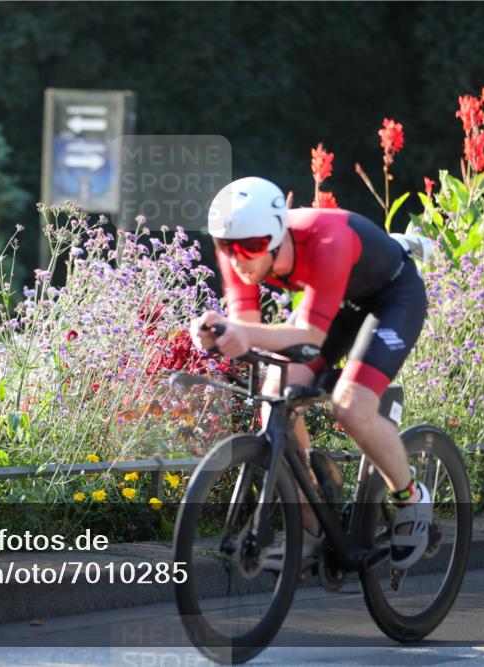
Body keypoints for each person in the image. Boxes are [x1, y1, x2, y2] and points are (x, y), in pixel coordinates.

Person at [189, 176, 432, 571]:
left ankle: (411, 498)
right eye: (227, 248)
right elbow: (249, 330)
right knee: (274, 405)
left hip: (392, 297)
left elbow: (311, 336)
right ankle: (312, 527)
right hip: (338, 300)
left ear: (276, 235)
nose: (238, 260)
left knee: (351, 407)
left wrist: (242, 331)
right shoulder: (239, 247)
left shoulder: (327, 239)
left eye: (251, 248)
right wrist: (215, 334)